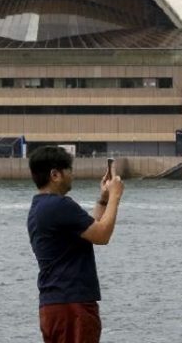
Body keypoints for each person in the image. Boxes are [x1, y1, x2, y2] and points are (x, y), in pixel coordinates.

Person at [27, 146, 124, 343]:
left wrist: (104, 199)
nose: (73, 175)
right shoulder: (60, 205)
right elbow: (102, 235)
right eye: (69, 170)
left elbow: (91, 230)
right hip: (73, 305)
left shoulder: (40, 208)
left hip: (53, 305)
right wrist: (115, 195)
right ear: (55, 174)